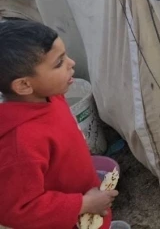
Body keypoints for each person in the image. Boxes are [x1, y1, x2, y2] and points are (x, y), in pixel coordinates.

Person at [0, 20, 129, 229]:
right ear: (24, 85)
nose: (72, 63)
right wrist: (84, 204)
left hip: (87, 201)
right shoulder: (20, 143)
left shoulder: (51, 97)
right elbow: (18, 210)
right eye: (59, 63)